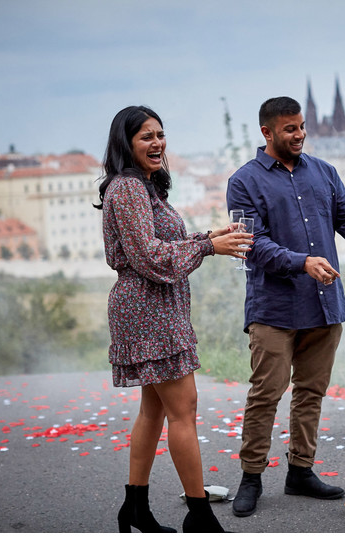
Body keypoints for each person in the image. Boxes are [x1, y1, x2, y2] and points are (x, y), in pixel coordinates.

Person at [225, 96, 345, 517]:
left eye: (302, 126)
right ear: (267, 133)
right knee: (266, 395)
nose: (300, 134)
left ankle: (300, 471)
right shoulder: (243, 182)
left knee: (311, 393)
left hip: (324, 306)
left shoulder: (324, 172)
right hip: (273, 309)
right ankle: (251, 478)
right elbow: (252, 246)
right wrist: (302, 263)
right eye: (290, 129)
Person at [96, 105, 253, 532]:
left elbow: (160, 244)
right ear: (125, 143)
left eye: (160, 134)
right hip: (149, 311)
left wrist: (207, 237)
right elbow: (148, 258)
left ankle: (135, 508)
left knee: (155, 411)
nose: (157, 143)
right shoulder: (128, 189)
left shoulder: (143, 186)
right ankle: (199, 515)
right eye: (146, 136)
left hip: (155, 308)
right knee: (184, 411)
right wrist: (207, 249)